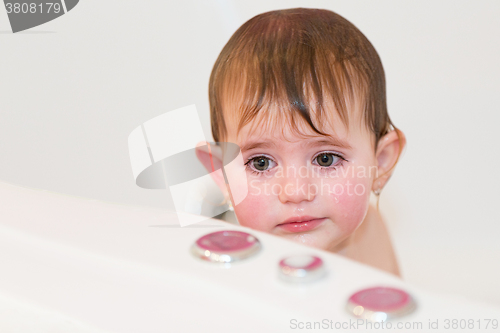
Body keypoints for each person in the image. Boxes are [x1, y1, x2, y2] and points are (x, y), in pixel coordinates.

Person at [195, 8, 406, 276]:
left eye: (325, 159)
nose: (295, 192)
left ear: (380, 162)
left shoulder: (371, 235)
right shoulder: (224, 271)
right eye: (261, 163)